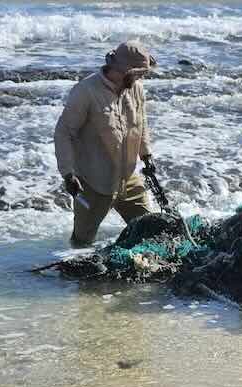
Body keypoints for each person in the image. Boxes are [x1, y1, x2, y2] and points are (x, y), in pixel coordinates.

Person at [53, 40, 158, 248]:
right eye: (138, 73)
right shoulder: (85, 91)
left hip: (129, 179)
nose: (142, 77)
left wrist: (146, 155)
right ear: (123, 70)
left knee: (150, 231)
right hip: (93, 183)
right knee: (81, 245)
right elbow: (64, 132)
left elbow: (141, 122)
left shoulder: (136, 88)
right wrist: (68, 173)